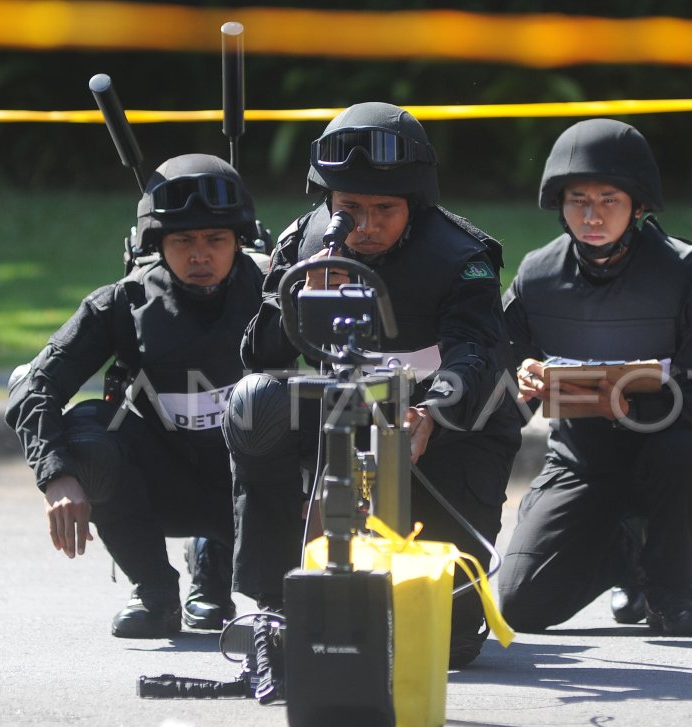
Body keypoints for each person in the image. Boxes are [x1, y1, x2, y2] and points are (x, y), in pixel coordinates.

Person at [223, 101, 522, 668]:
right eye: (350, 208)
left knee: (446, 644)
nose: (366, 225)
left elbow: (478, 354)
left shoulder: (462, 257)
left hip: (448, 427)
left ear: (415, 204)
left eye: (385, 209)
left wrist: (432, 412)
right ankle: (272, 601)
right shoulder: (305, 243)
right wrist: (297, 289)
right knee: (253, 405)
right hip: (346, 413)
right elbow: (258, 356)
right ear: (328, 203)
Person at [496, 119, 692, 636]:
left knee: (685, 455)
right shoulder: (536, 277)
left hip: (665, 456)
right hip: (581, 464)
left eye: (609, 199)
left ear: (638, 206)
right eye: (578, 199)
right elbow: (495, 382)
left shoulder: (682, 277)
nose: (592, 215)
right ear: (559, 206)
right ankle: (625, 556)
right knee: (522, 606)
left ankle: (670, 590)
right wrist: (519, 389)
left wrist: (630, 408)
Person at [5, 153, 267, 638]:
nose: (200, 255)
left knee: (307, 421)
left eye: (216, 239)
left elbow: (344, 375)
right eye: (182, 240)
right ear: (158, 245)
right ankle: (154, 592)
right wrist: (56, 476)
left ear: (239, 241)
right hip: (160, 482)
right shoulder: (123, 304)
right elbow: (33, 384)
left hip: (255, 486)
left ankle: (244, 583)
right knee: (89, 439)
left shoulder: (277, 294)